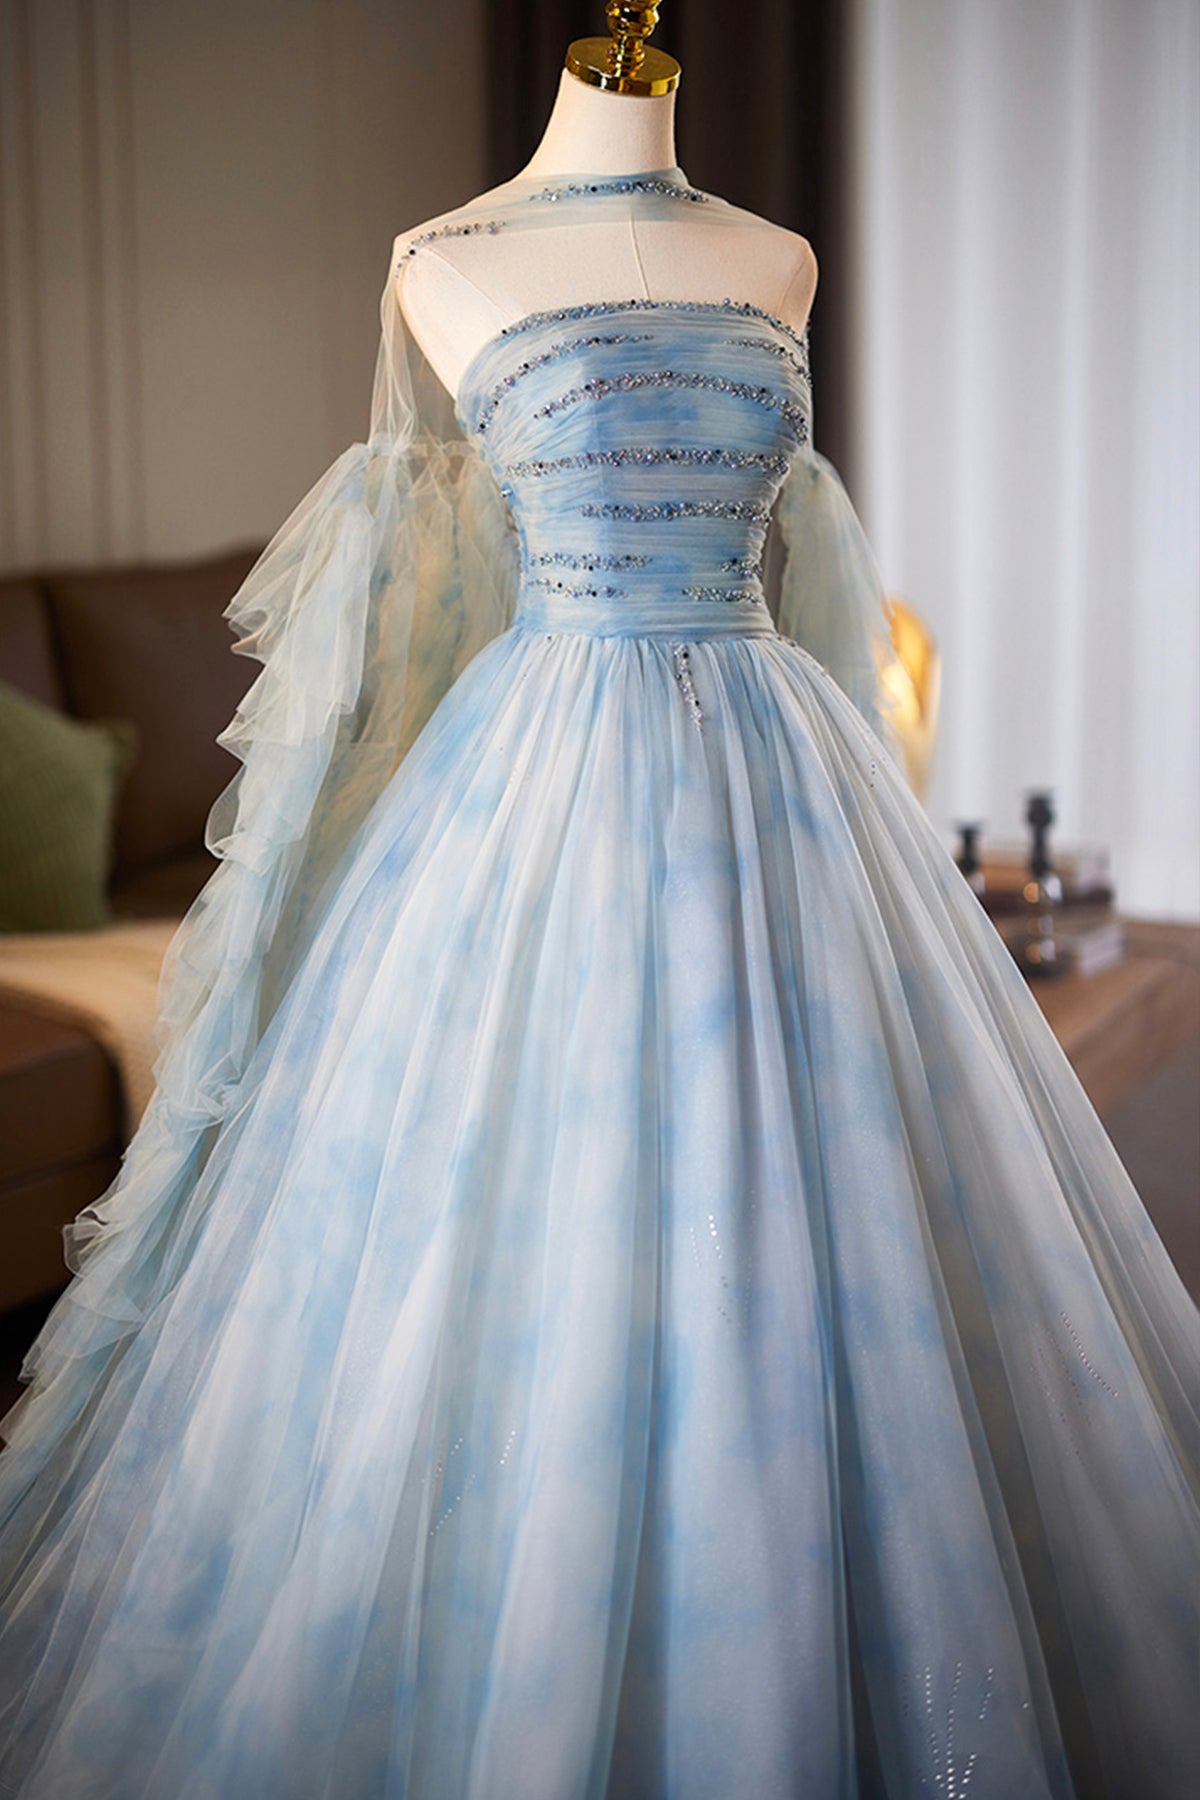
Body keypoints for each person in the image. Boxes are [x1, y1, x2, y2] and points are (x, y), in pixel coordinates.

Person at [0, 54, 1196, 1800]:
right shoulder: (440, 259)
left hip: (779, 773)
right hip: (537, 774)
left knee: (836, 1190)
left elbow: (811, 566)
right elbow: (410, 606)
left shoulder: (778, 255)